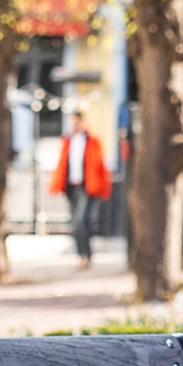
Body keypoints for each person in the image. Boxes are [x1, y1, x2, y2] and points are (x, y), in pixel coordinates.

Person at [49, 111, 110, 268]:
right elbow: (62, 165)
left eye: (76, 122)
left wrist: (101, 187)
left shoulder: (92, 141)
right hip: (71, 187)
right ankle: (84, 256)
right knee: (76, 223)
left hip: (86, 187)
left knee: (80, 221)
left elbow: (99, 165)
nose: (73, 126)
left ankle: (85, 256)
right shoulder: (67, 141)